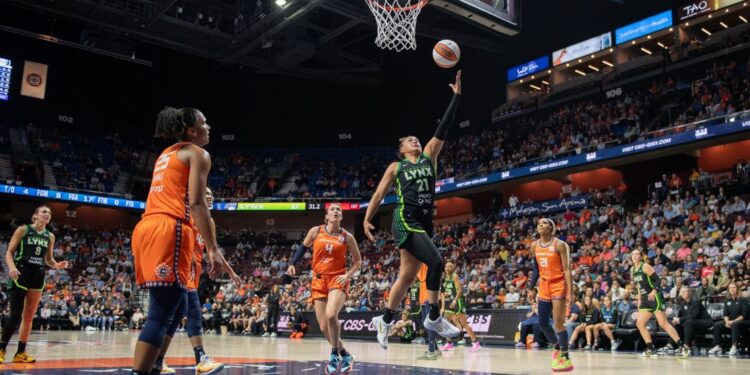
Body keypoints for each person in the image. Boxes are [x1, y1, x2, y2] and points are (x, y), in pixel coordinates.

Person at [365, 71, 463, 349]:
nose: (415, 141)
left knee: (406, 277)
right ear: (402, 149)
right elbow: (379, 194)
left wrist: (455, 98)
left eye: (416, 139)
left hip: (424, 221)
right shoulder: (396, 167)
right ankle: (433, 315)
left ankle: (383, 321)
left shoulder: (429, 156)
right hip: (404, 218)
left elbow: (443, 128)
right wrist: (366, 220)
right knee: (436, 262)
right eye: (410, 141)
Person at [130, 107, 232, 375]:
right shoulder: (198, 153)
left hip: (146, 227)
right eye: (204, 122)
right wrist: (212, 248)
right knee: (162, 313)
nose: (209, 126)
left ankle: (155, 365)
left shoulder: (166, 154)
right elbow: (197, 204)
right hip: (170, 228)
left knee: (174, 310)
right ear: (191, 130)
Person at [158, 187, 238, 374]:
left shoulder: (209, 222)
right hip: (180, 269)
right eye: (206, 194)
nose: (210, 197)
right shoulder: (188, 216)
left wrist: (231, 272)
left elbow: (213, 251)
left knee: (177, 316)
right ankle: (200, 360)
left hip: (193, 273)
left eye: (212, 194)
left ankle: (158, 361)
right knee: (193, 312)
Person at [288, 203, 362, 374]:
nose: (336, 212)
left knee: (331, 315)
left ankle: (334, 353)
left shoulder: (347, 236)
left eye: (339, 210)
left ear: (341, 217)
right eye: (332, 210)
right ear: (327, 216)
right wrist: (292, 264)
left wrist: (348, 275)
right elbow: (303, 248)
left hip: (337, 279)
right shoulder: (316, 231)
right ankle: (346, 354)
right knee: (323, 327)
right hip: (318, 280)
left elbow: (358, 261)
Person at [0, 204, 69, 363]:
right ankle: (2, 349)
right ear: (35, 215)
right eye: (44, 212)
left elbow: (48, 260)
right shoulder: (23, 230)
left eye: (49, 213)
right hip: (21, 272)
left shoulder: (50, 236)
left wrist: (57, 265)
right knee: (15, 315)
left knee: (29, 316)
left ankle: (20, 353)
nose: (47, 214)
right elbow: (9, 252)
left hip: (38, 274)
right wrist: (11, 267)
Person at [527, 218, 574, 372]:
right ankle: (558, 347)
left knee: (558, 323)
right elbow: (535, 269)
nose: (541, 225)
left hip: (559, 284)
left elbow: (567, 270)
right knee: (542, 323)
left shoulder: (560, 245)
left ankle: (566, 358)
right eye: (539, 223)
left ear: (552, 228)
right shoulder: (534, 245)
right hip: (544, 285)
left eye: (545, 223)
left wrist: (570, 292)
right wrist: (530, 288)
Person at [630, 249, 683, 357]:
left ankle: (682, 347)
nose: (635, 256)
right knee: (639, 323)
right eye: (633, 254)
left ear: (641, 256)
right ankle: (651, 349)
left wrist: (654, 292)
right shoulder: (632, 270)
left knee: (663, 323)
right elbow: (639, 286)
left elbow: (658, 280)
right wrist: (639, 300)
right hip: (645, 299)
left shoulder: (645, 266)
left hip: (655, 296)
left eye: (637, 254)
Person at [439, 261, 481, 352]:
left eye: (450, 266)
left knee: (464, 324)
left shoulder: (455, 276)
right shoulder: (444, 279)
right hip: (448, 302)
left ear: (453, 268)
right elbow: (442, 294)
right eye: (446, 266)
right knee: (446, 322)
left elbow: (460, 290)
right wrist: (442, 307)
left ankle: (476, 343)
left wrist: (454, 300)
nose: (448, 268)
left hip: (458, 301)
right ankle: (449, 344)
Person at [708, 283, 749, 355]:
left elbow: (744, 315)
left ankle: (734, 347)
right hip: (730, 320)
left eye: (734, 287)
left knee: (735, 324)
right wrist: (727, 322)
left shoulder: (743, 300)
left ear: (737, 289)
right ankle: (717, 346)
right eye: (730, 288)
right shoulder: (727, 300)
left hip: (743, 320)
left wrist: (732, 321)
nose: (732, 289)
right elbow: (725, 314)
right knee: (717, 325)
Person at [673, 286, 711, 358]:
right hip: (693, 321)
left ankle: (686, 347)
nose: (683, 294)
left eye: (685, 292)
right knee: (677, 324)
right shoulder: (683, 302)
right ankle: (671, 345)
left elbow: (694, 315)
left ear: (690, 292)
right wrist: (677, 320)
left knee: (687, 322)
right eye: (682, 292)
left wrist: (680, 319)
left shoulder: (695, 301)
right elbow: (684, 316)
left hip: (705, 321)